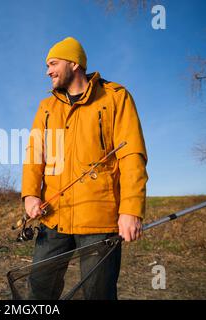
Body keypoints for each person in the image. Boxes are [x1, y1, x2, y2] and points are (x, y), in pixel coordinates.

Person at [21, 37, 148, 300]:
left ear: (74, 63)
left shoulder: (115, 97)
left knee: (98, 293)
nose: (48, 71)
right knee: (38, 290)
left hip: (99, 219)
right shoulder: (46, 107)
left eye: (53, 63)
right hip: (53, 217)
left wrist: (131, 209)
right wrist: (31, 194)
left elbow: (132, 154)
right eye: (47, 65)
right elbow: (35, 154)